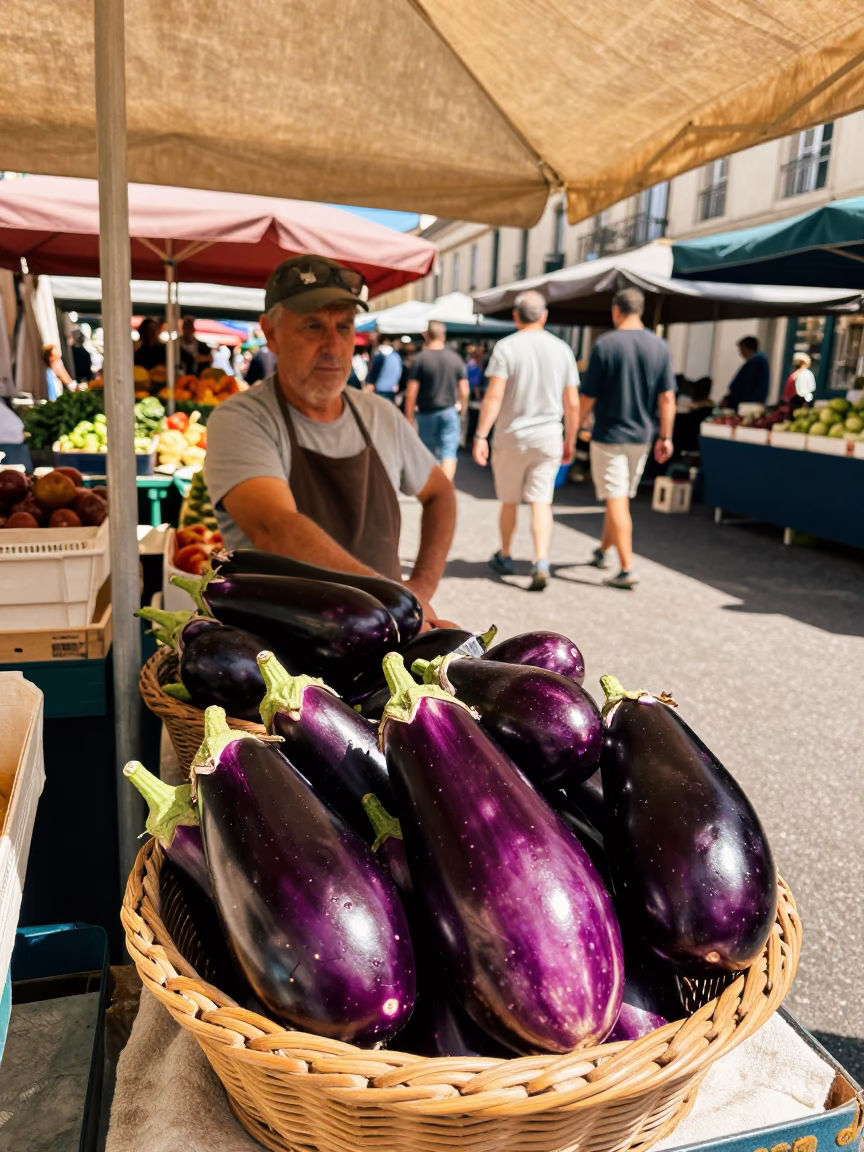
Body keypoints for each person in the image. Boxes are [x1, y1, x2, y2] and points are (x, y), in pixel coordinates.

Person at [204, 255, 457, 626]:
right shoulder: (241, 419)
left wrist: (420, 587)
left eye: (344, 327)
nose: (333, 346)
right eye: (312, 326)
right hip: (277, 649)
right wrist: (395, 598)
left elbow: (440, 494)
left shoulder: (380, 415)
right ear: (270, 333)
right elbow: (277, 528)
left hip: (386, 638)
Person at [472, 289, 579, 592]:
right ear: (544, 316)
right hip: (548, 437)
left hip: (512, 436)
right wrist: (571, 438)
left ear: (516, 316)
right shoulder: (562, 350)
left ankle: (505, 554)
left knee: (509, 500)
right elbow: (572, 403)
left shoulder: (506, 348)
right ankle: (540, 560)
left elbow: (494, 395)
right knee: (541, 501)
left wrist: (481, 434)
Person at [579, 287, 677, 590]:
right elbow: (668, 398)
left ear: (616, 311)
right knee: (618, 497)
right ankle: (603, 550)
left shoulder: (605, 344)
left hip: (610, 434)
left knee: (616, 498)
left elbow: (588, 396)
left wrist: (573, 428)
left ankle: (626, 568)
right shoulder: (659, 346)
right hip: (642, 436)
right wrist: (666, 436)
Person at [403, 322, 469, 481]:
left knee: (428, 453)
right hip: (449, 411)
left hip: (426, 413)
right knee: (449, 453)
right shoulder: (455, 358)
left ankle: (434, 491)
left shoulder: (420, 359)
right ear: (443, 335)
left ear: (426, 335)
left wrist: (409, 416)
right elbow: (465, 390)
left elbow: (411, 392)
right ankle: (445, 488)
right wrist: (462, 409)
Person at [723, 335, 770, 410]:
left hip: (747, 404)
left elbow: (747, 384)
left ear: (747, 349)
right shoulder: (759, 363)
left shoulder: (755, 363)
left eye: (741, 349)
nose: (740, 353)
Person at [365, 335, 403, 401]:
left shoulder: (381, 355)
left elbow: (373, 374)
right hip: (391, 391)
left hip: (380, 390)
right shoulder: (397, 356)